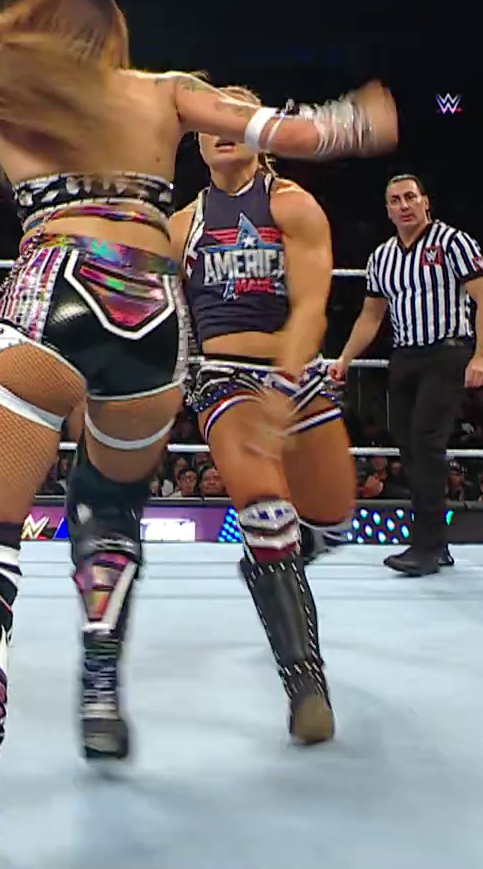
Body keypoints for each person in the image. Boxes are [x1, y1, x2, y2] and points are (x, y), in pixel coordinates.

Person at [0, 0, 398, 869]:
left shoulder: (0, 105)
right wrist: (356, 122)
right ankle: (101, 671)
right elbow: (293, 135)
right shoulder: (163, 90)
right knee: (108, 500)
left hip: (52, 293)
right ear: (116, 38)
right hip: (154, 320)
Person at [170, 87, 359, 746]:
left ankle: (272, 565)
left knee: (332, 521)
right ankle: (306, 686)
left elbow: (311, 307)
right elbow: (166, 323)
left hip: (297, 373)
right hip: (222, 378)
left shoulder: (292, 204)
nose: (224, 129)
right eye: (211, 119)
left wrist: (285, 381)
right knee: (266, 511)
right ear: (197, 140)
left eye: (237, 116)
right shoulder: (182, 226)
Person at [330, 174, 483, 577]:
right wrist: (345, 359)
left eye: (410, 197)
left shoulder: (453, 242)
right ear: (387, 210)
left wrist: (482, 356)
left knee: (425, 442)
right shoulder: (382, 256)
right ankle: (434, 544)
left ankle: (427, 546)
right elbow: (371, 316)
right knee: (408, 448)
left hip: (447, 352)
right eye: (395, 200)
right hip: (404, 356)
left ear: (425, 201)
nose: (403, 205)